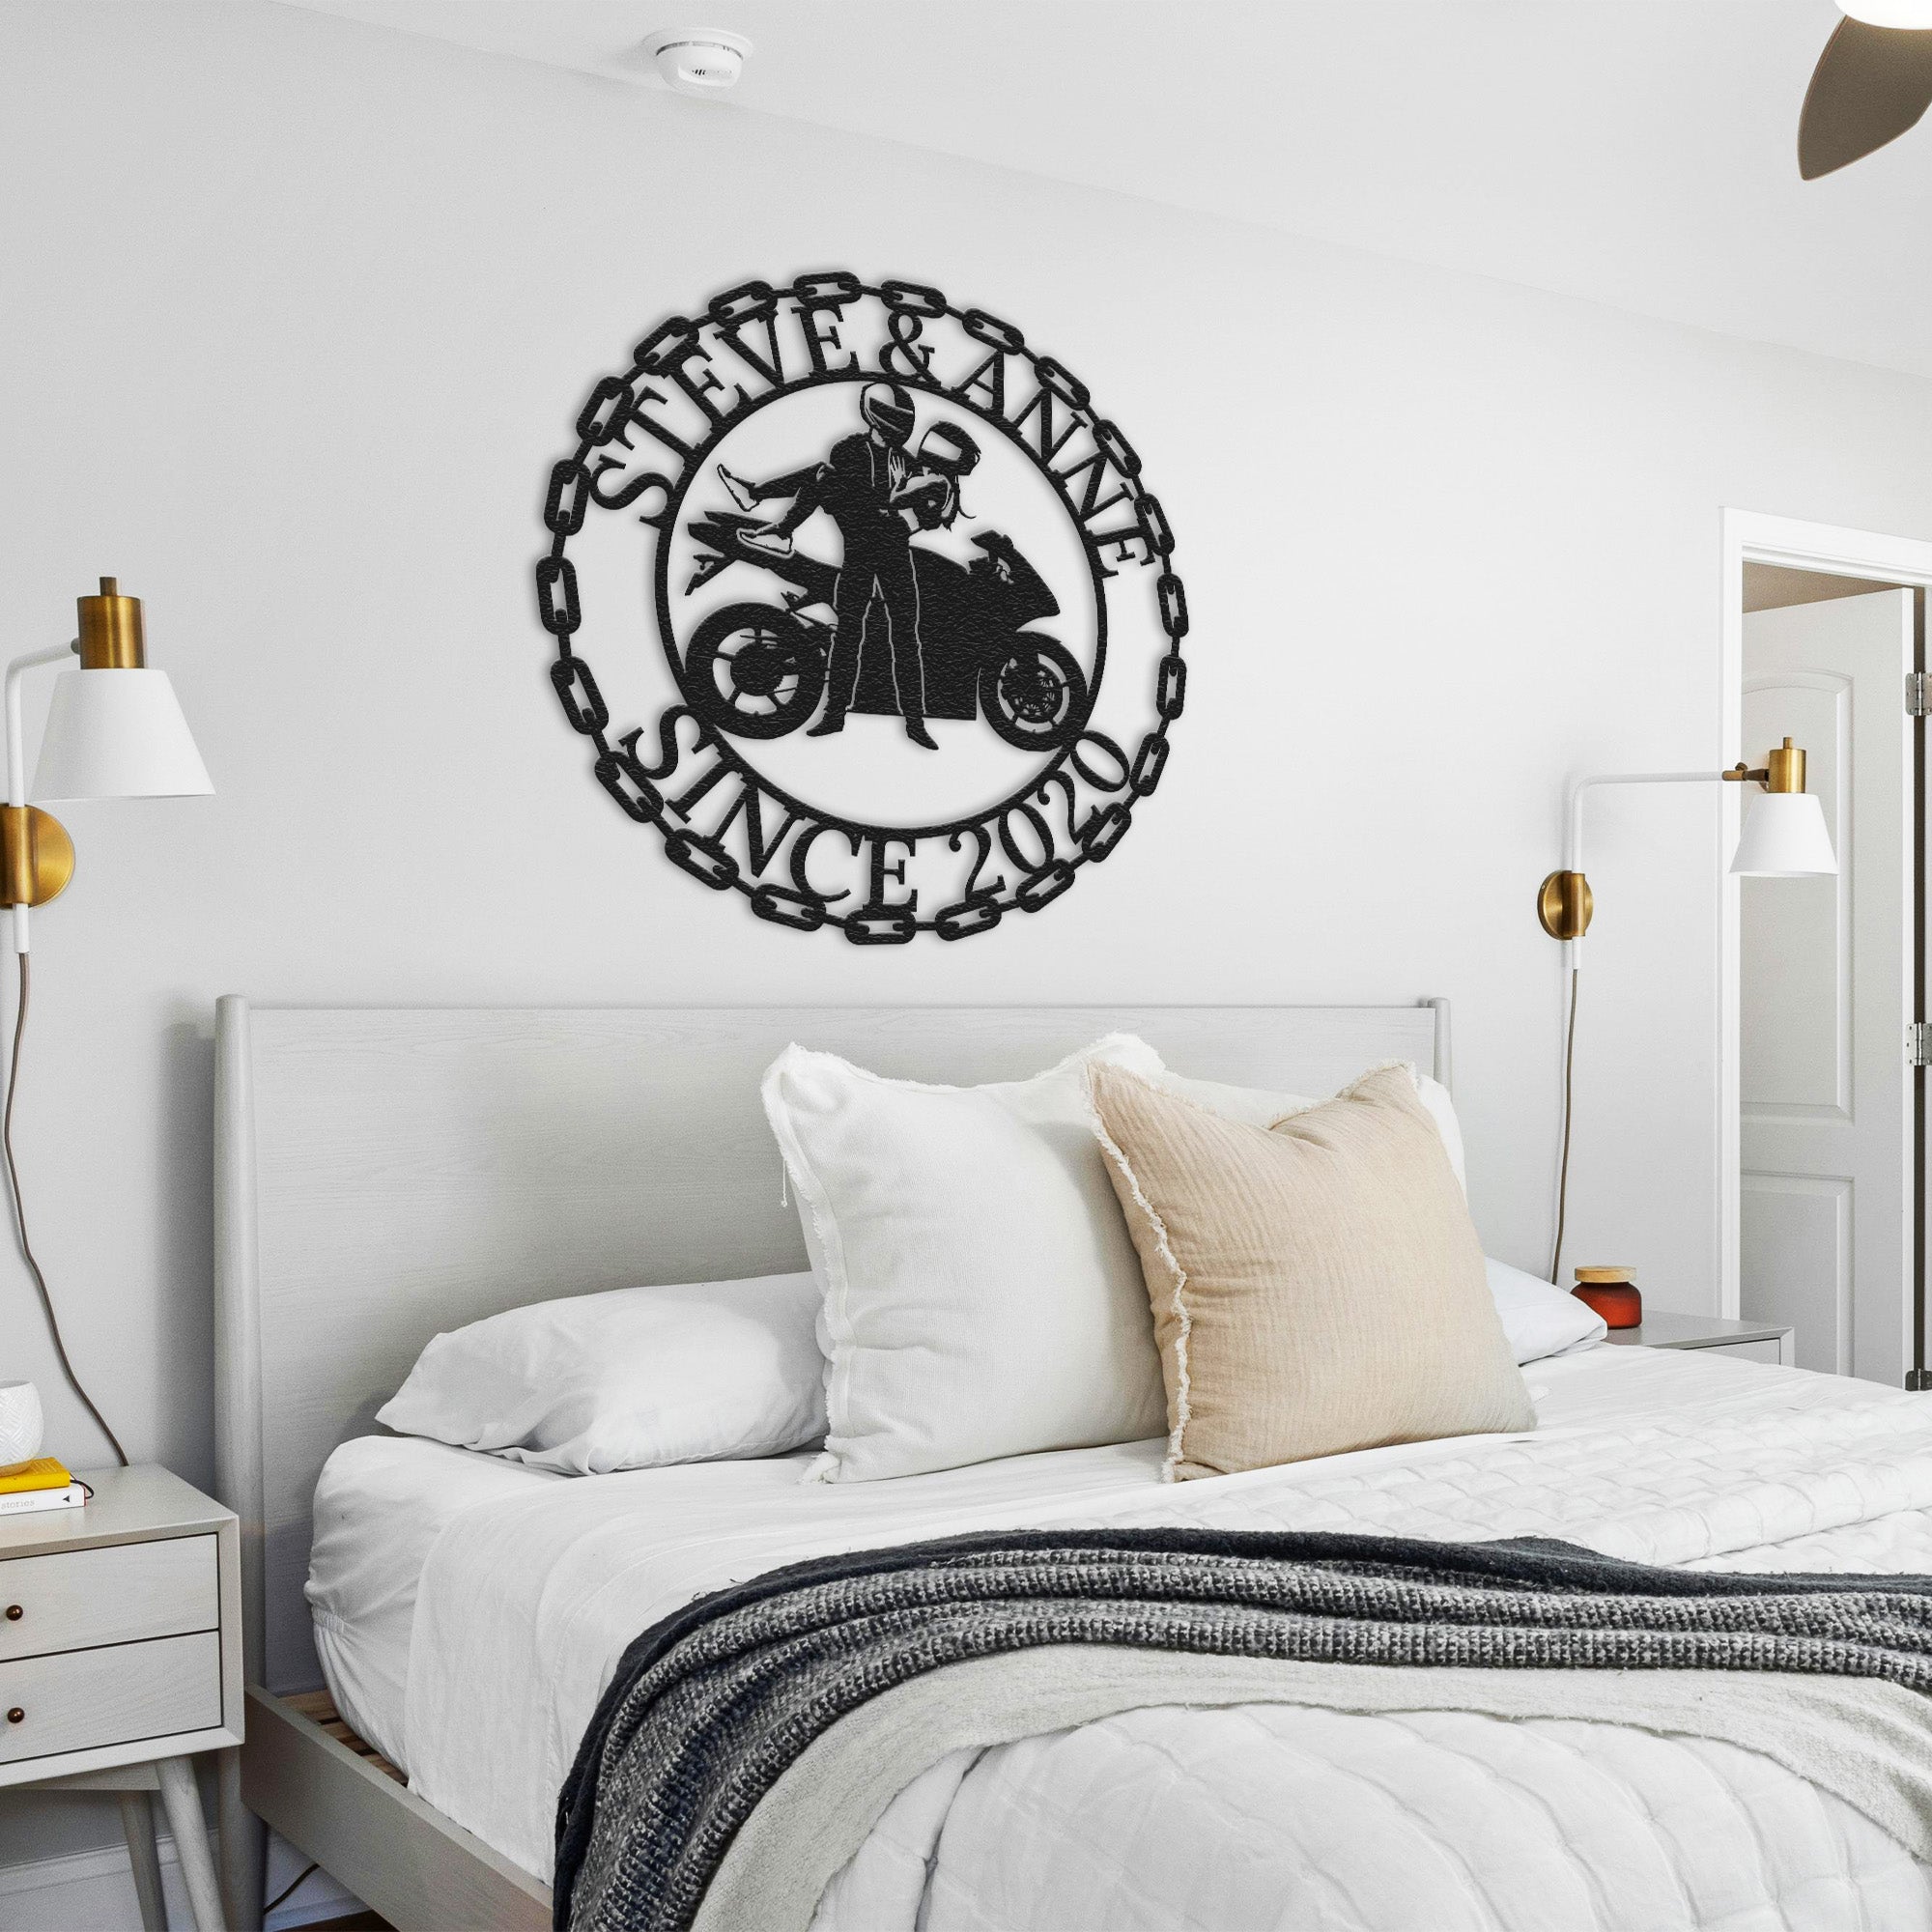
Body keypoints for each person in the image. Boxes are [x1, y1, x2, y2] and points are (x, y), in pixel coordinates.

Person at [717, 382, 936, 750]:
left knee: (906, 638)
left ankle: (914, 721)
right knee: (850, 632)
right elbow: (861, 498)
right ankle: (835, 714)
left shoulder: (907, 461)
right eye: (895, 416)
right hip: (861, 546)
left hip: (894, 549)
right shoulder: (850, 448)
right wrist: (888, 507)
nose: (900, 425)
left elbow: (922, 508)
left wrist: (928, 502)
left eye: (903, 418)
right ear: (875, 413)